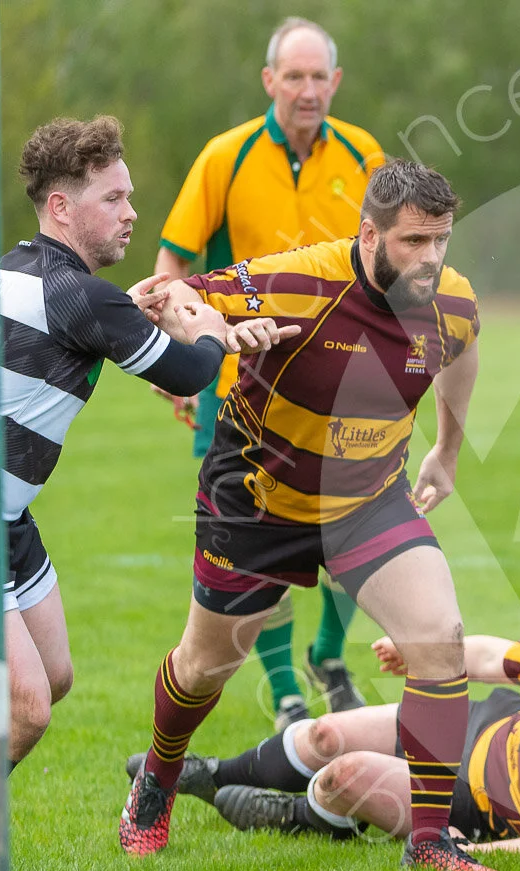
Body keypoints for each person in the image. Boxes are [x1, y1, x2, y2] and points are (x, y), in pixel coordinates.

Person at [117, 159, 492, 871]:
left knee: (439, 642)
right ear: (369, 233)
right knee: (206, 667)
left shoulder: (452, 302)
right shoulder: (300, 278)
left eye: (442, 239)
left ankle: (430, 844)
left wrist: (446, 449)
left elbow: (462, 351)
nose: (432, 258)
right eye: (414, 242)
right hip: (258, 499)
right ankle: (159, 780)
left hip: (367, 499)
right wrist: (209, 328)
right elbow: (173, 298)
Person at [0, 116, 290, 770]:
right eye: (114, 199)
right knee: (28, 708)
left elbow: (71, 334)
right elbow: (190, 372)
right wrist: (211, 327)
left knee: (55, 676)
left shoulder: (25, 269)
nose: (132, 213)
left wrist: (127, 314)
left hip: (8, 521)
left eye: (129, 195)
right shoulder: (79, 298)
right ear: (61, 207)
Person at [155, 16, 387, 729]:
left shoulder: (364, 154)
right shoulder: (224, 157)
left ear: (336, 83)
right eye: (295, 76)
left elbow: (392, 263)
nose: (308, 90)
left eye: (320, 77)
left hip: (349, 386)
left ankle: (329, 653)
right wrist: (173, 354)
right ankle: (286, 691)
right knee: (255, 557)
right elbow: (173, 263)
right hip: (243, 398)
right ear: (270, 82)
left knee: (360, 533)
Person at [125, 608, 520, 860]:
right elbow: (487, 655)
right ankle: (212, 777)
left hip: (472, 799)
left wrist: (473, 853)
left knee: (347, 774)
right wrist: (417, 654)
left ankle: (301, 817)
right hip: (478, 726)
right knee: (327, 734)